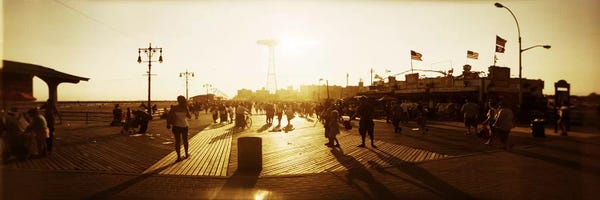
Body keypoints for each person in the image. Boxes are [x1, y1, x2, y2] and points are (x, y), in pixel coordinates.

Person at [166, 95, 192, 162]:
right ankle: (186, 154)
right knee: (185, 140)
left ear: (178, 101)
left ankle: (178, 157)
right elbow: (189, 117)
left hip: (176, 126)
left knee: (177, 142)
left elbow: (169, 117)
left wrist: (168, 124)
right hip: (184, 126)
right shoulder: (185, 108)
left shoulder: (174, 108)